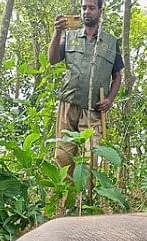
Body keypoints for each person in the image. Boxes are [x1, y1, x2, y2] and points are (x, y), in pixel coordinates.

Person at [48, 0, 123, 173]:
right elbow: (52, 59)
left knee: (93, 158)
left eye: (91, 8)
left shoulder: (111, 43)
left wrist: (110, 99)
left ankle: (90, 198)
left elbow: (118, 75)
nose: (86, 12)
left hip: (93, 110)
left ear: (100, 11)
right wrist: (57, 32)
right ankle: (67, 199)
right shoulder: (69, 36)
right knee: (63, 158)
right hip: (68, 105)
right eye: (83, 8)